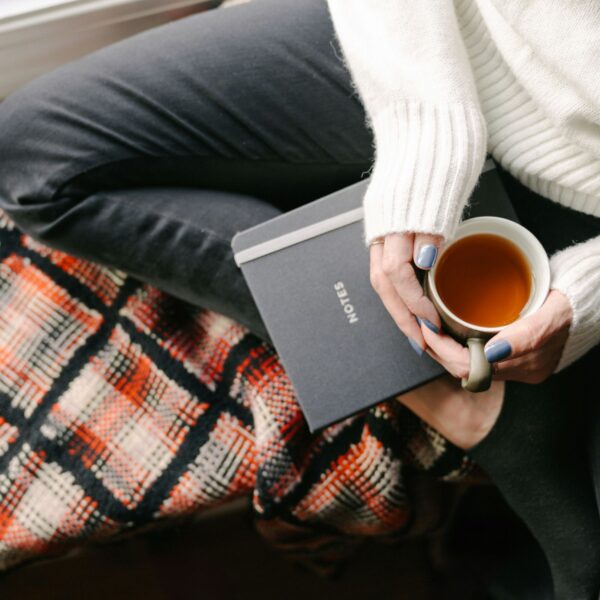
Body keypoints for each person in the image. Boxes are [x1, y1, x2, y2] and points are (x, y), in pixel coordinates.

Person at [0, 0, 598, 596]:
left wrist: (588, 298)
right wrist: (423, 141)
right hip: (445, 33)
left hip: (586, 194)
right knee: (34, 153)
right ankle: (463, 402)